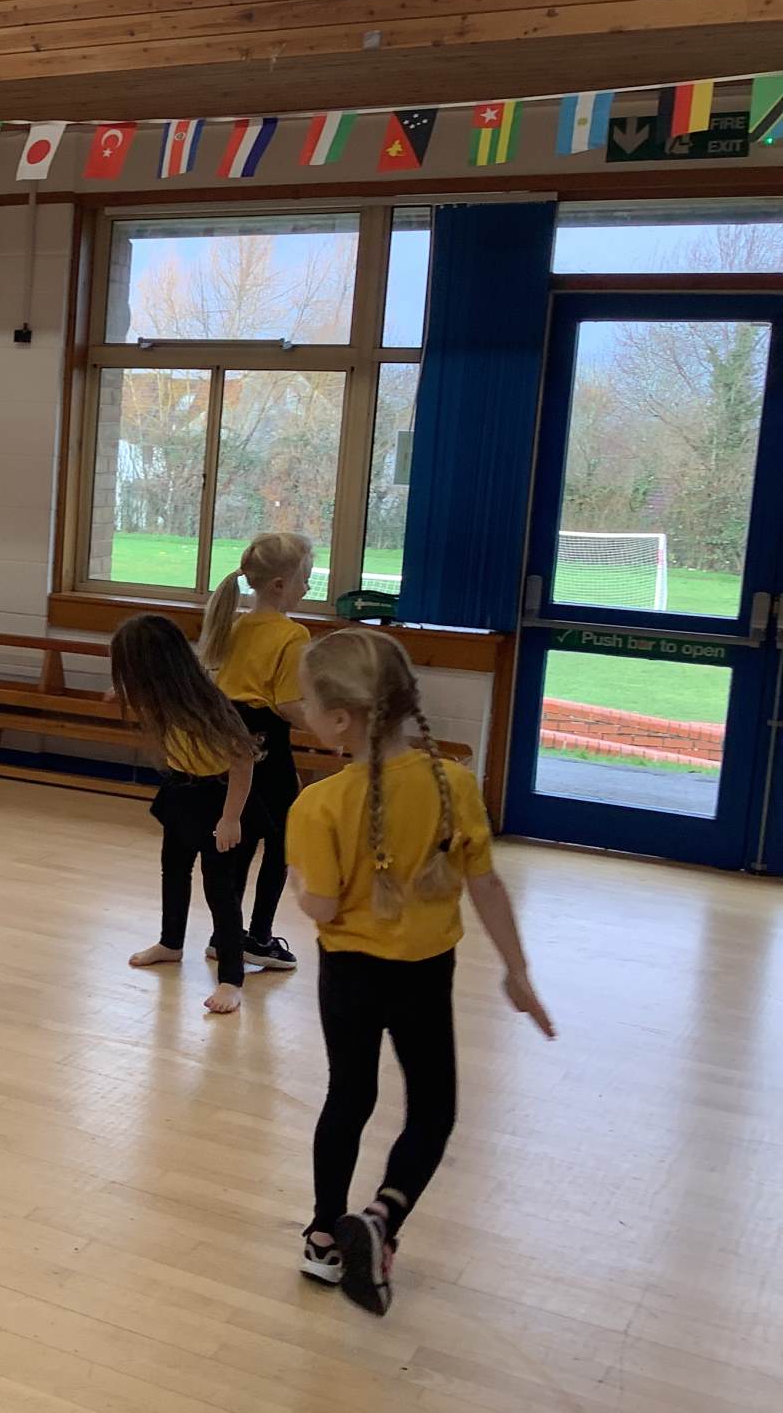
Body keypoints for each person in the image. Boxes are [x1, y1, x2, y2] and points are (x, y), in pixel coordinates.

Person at [286, 628, 552, 1314]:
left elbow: (321, 905)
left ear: (339, 720)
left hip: (348, 974)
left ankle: (323, 1235)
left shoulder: (317, 804)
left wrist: (297, 882)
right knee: (433, 1111)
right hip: (425, 975)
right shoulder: (453, 782)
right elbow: (486, 885)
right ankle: (382, 1216)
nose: (302, 710)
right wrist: (517, 971)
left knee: (349, 1096)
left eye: (307, 701)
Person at [112, 614, 261, 1014]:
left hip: (218, 800)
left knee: (220, 891)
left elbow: (243, 759)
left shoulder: (205, 703)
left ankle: (231, 978)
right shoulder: (163, 698)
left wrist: (231, 818)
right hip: (182, 791)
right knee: (174, 870)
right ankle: (171, 943)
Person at [196, 532, 316, 972]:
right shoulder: (293, 634)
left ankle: (225, 936)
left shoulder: (232, 625)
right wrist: (327, 725)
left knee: (241, 842)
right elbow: (287, 705)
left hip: (231, 741)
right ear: (281, 584)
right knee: (281, 845)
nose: (308, 587)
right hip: (267, 744)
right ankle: (260, 938)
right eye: (305, 578)